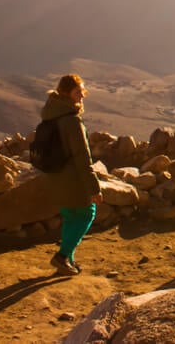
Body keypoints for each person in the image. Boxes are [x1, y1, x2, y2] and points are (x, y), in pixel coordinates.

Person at [42, 74, 103, 276]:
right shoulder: (72, 121)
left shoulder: (51, 115)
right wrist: (94, 188)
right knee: (88, 213)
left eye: (82, 92)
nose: (82, 97)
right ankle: (62, 256)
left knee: (70, 217)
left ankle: (68, 260)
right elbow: (82, 158)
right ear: (66, 93)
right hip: (73, 178)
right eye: (78, 92)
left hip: (56, 176)